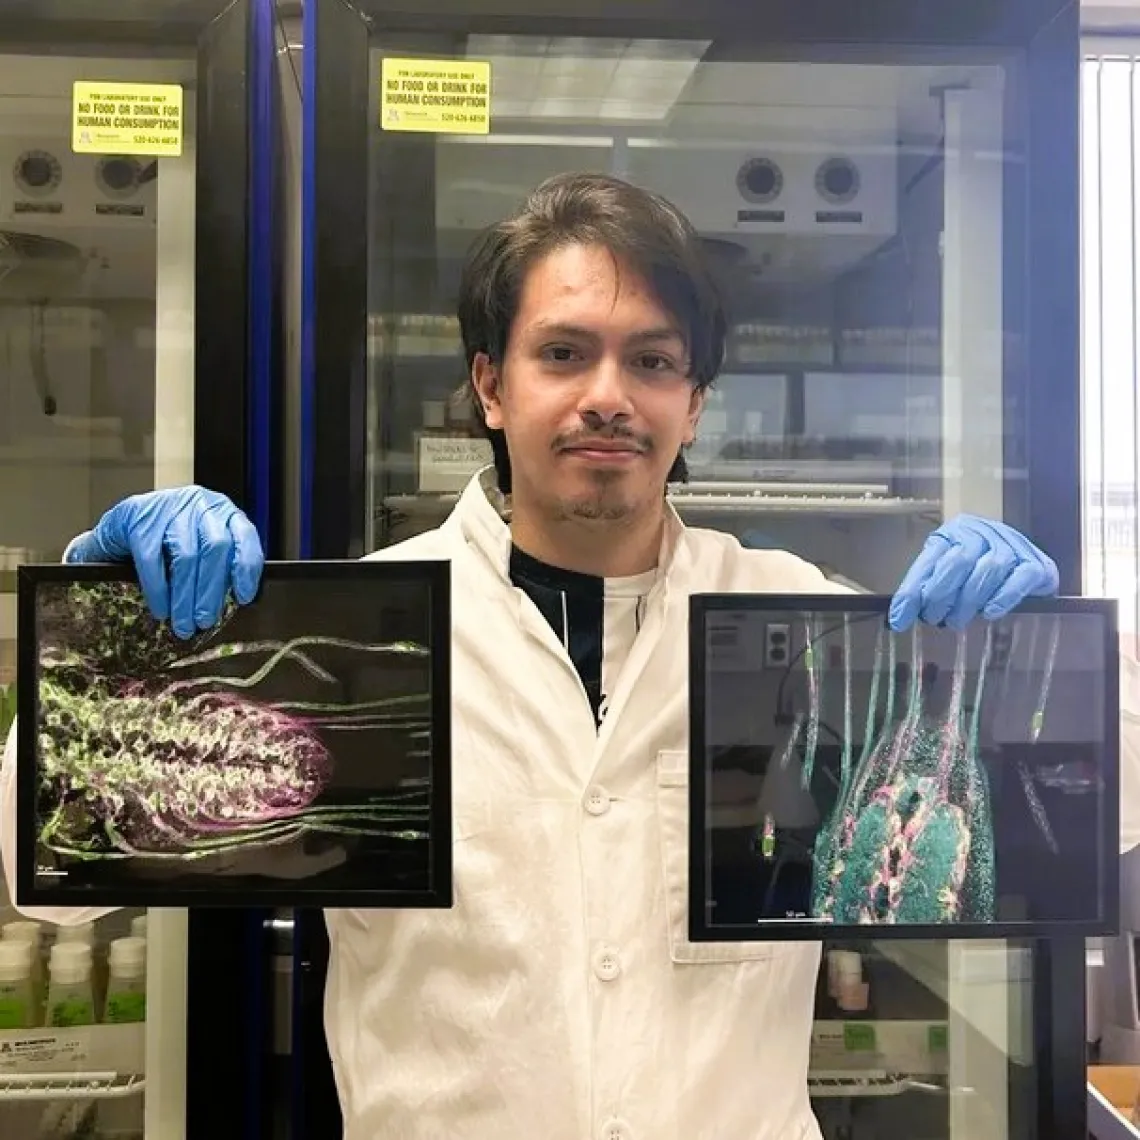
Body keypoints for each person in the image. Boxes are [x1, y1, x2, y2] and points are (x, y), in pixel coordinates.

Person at [2, 173, 1061, 1139]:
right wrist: (107, 657)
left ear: (692, 406)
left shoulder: (802, 622)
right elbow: (45, 883)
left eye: (651, 360)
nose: (609, 393)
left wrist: (1037, 648)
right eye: (564, 352)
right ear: (491, 388)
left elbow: (1104, 811)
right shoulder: (354, 638)